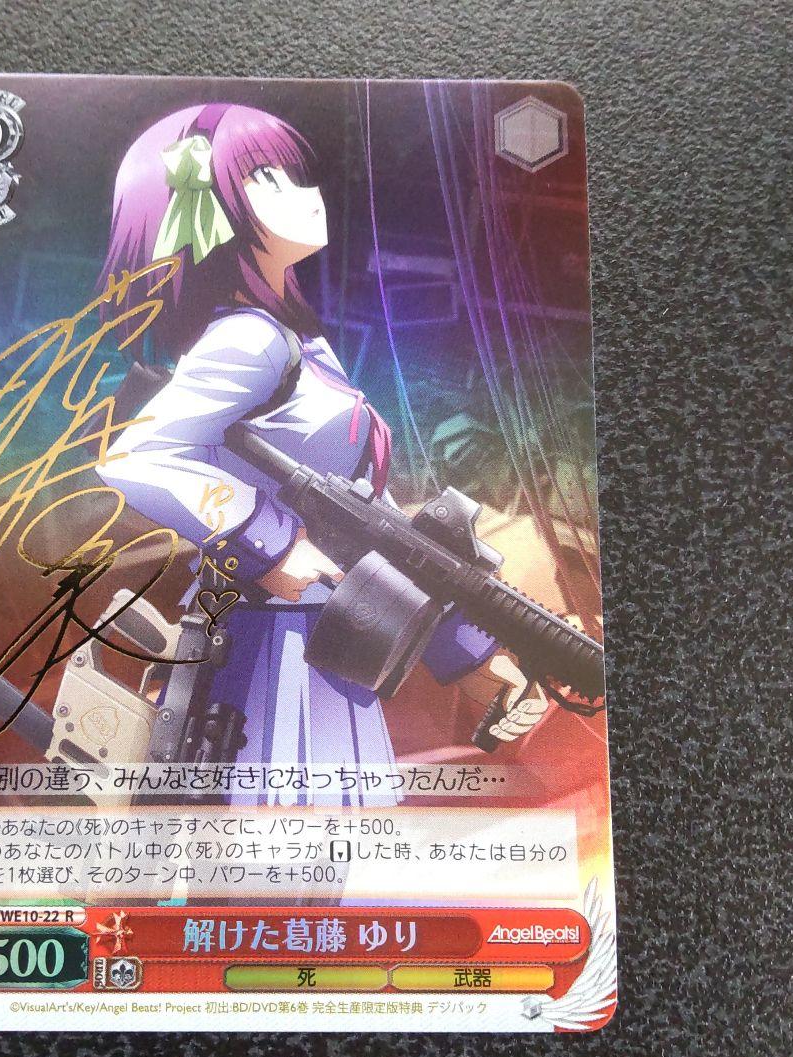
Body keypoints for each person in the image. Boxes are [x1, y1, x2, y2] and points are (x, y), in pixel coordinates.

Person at [98, 103, 542, 806]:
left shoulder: (300, 345)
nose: (308, 195)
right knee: (273, 841)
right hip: (268, 640)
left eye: (301, 175)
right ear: (214, 212)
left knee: (328, 844)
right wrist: (271, 543)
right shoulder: (251, 341)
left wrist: (472, 655)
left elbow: (376, 529)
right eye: (271, 178)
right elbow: (137, 457)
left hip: (331, 640)